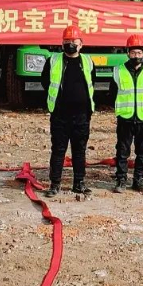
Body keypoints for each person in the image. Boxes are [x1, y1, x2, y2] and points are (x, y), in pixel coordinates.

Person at [40, 25, 95, 197]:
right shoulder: (53, 61)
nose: (70, 44)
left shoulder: (88, 62)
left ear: (81, 44)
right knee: (58, 150)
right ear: (62, 43)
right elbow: (45, 82)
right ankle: (55, 184)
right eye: (67, 41)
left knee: (79, 151)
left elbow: (92, 82)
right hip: (60, 115)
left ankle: (79, 183)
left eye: (74, 41)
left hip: (81, 116)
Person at [110, 34, 143, 194]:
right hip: (125, 117)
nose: (136, 56)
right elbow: (112, 92)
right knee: (122, 152)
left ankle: (138, 180)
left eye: (139, 53)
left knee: (142, 152)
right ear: (128, 53)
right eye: (133, 52)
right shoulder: (119, 70)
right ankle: (121, 180)